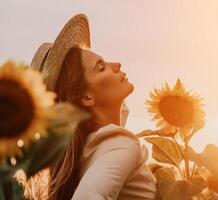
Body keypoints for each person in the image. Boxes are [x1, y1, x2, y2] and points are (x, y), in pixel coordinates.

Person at [30, 14, 156, 200]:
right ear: (87, 97)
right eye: (101, 67)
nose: (116, 64)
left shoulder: (85, 153)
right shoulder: (119, 145)